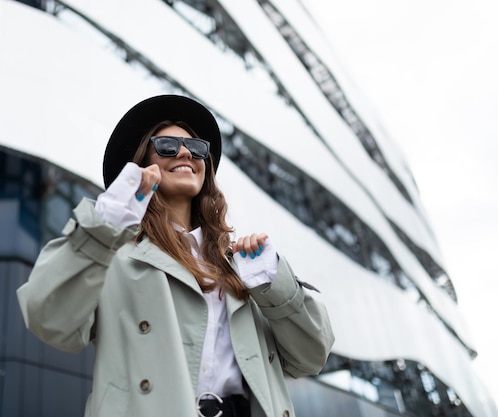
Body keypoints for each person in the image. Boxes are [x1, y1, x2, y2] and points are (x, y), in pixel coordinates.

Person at [17, 94, 334, 417]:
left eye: (197, 148)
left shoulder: (240, 265)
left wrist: (273, 284)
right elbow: (48, 319)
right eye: (167, 145)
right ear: (142, 163)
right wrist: (103, 226)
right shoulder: (112, 255)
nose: (185, 152)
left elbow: (310, 358)